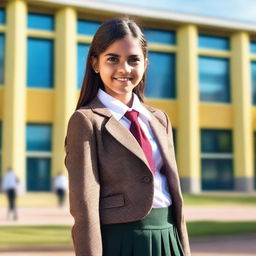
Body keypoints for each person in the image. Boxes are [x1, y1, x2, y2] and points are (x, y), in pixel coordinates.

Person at [65, 17, 191, 256]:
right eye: (113, 59)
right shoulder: (86, 121)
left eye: (134, 60)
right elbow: (84, 208)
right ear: (95, 63)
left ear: (145, 64)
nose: (124, 69)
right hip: (121, 242)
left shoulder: (159, 119)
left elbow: (174, 193)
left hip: (168, 236)